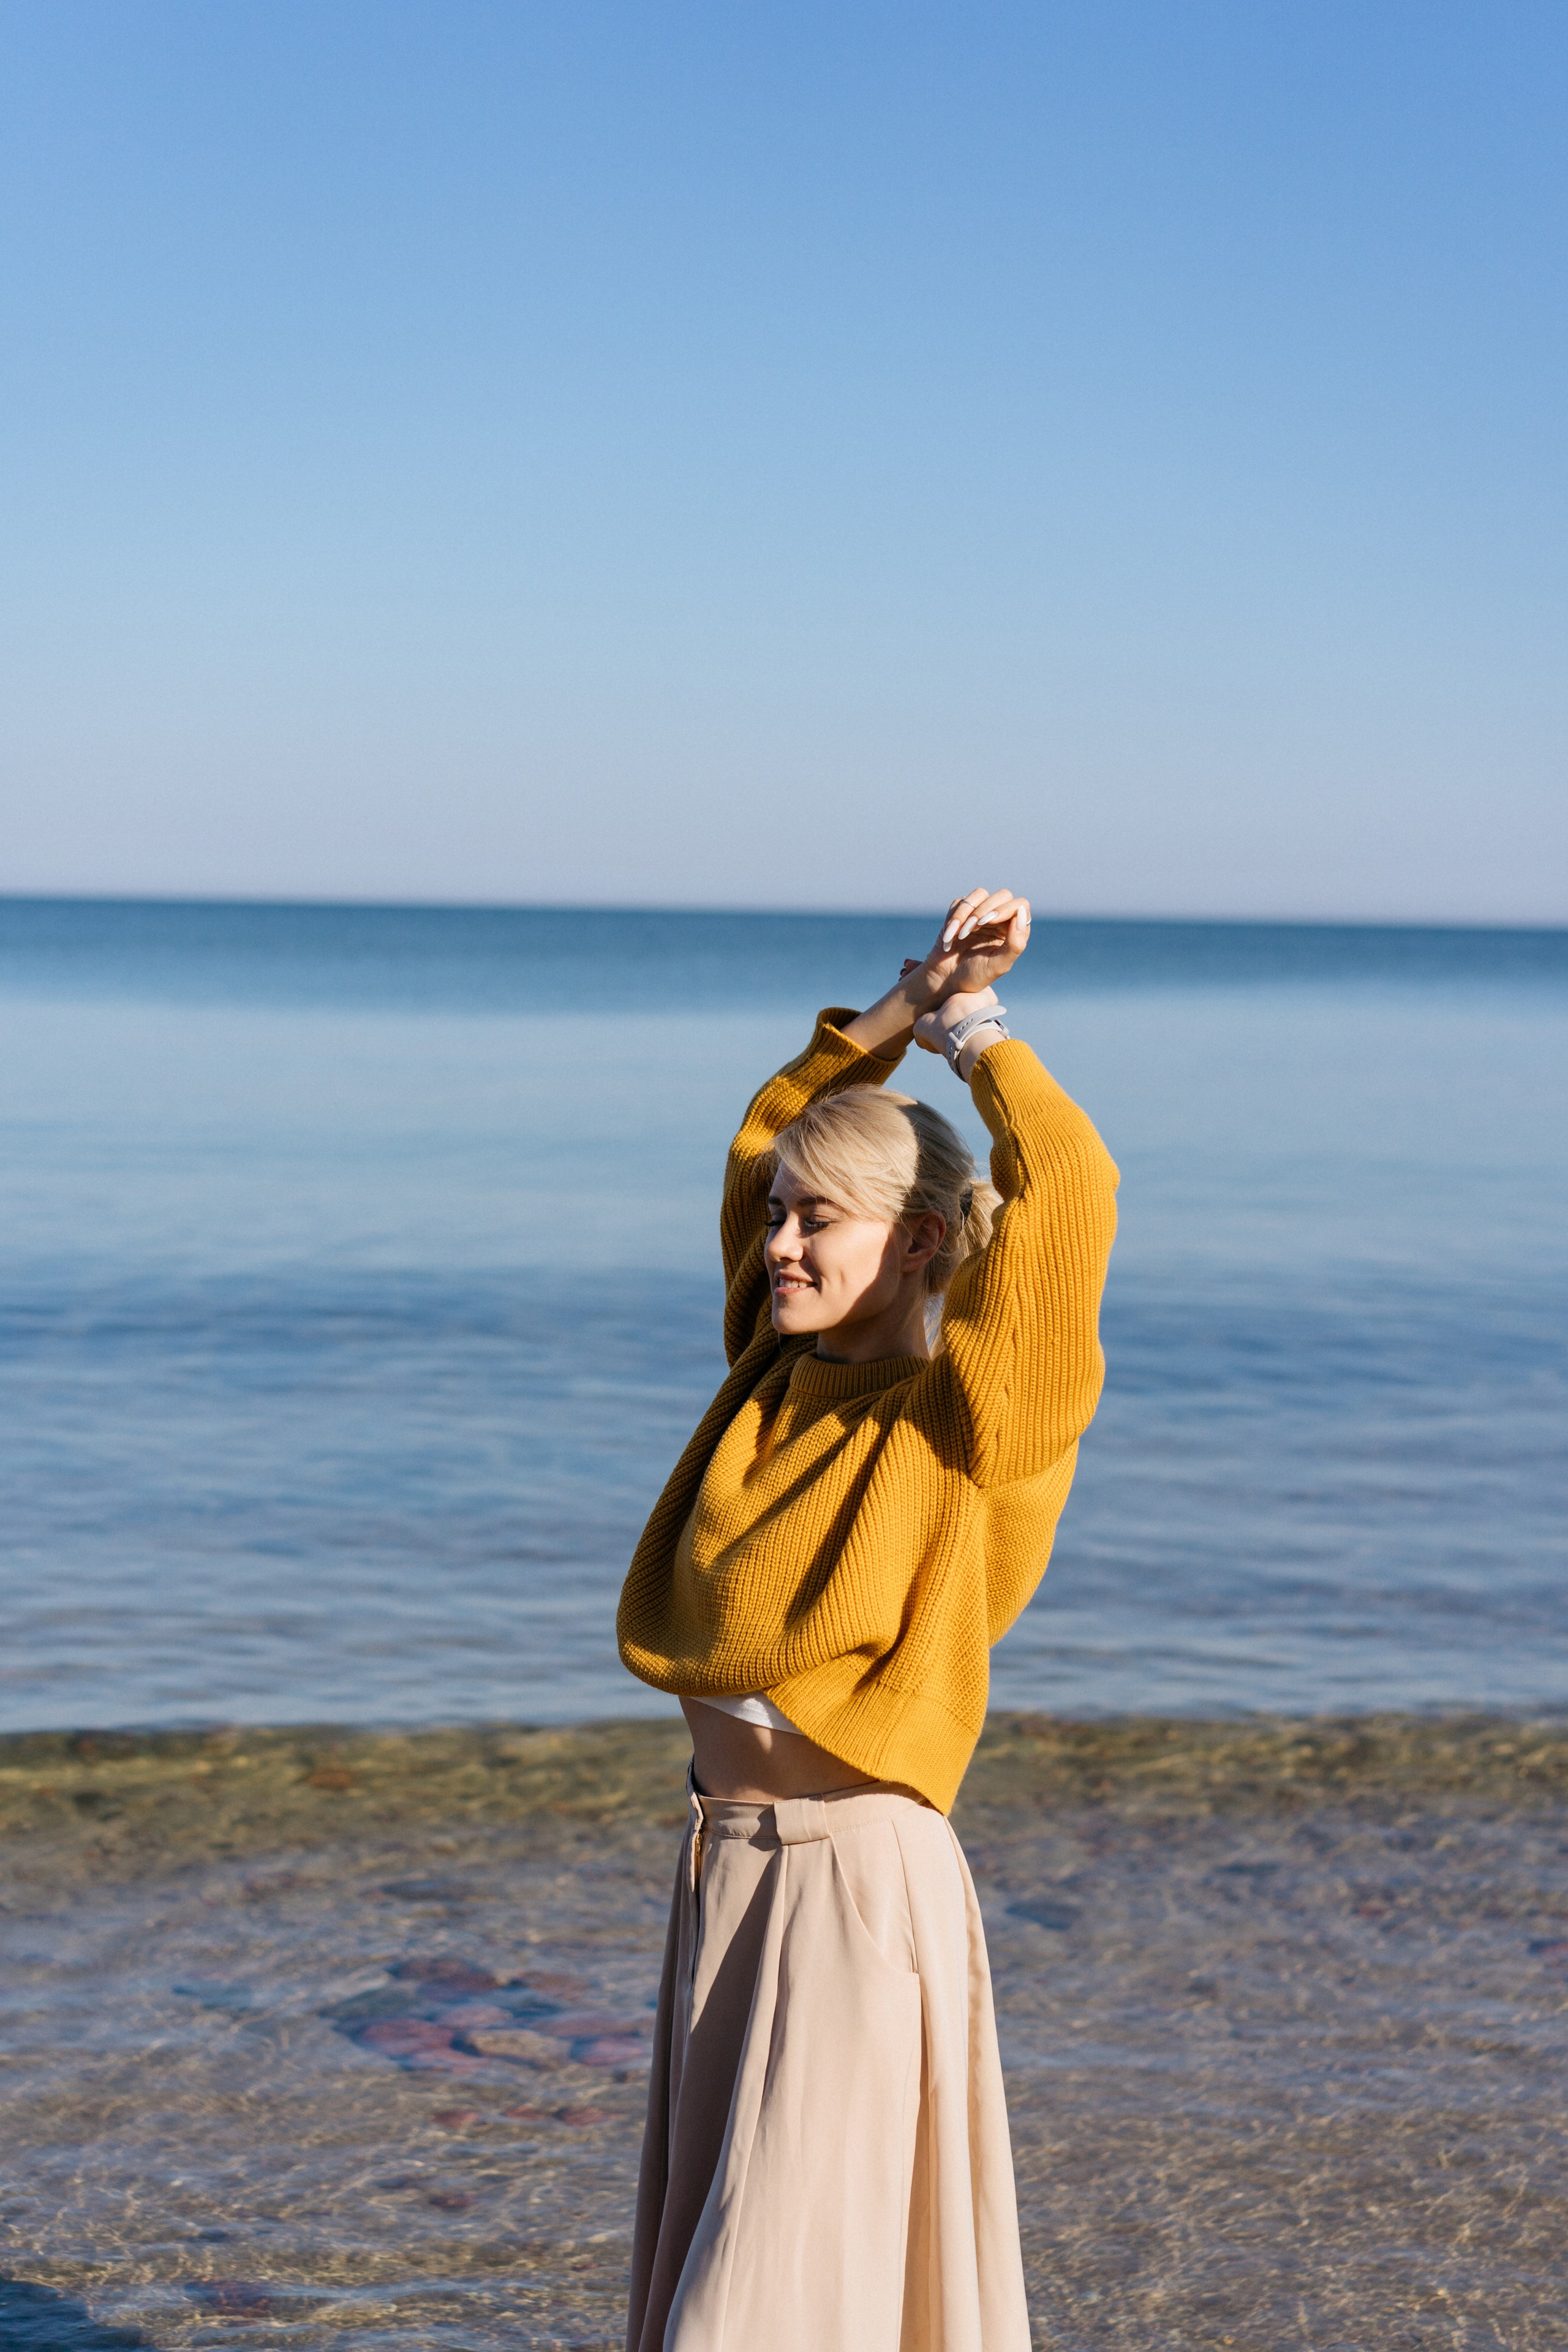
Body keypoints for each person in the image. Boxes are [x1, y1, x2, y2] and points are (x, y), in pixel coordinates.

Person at [617, 886, 1119, 2352]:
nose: (779, 1242)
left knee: (748, 2318)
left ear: (916, 1243)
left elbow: (1071, 1189)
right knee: (756, 2298)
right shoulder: (770, 1375)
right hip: (723, 1877)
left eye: (817, 1219)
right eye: (779, 1217)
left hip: (851, 1885)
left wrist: (975, 1033)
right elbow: (761, 1137)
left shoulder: (970, 1419)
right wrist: (899, 1002)